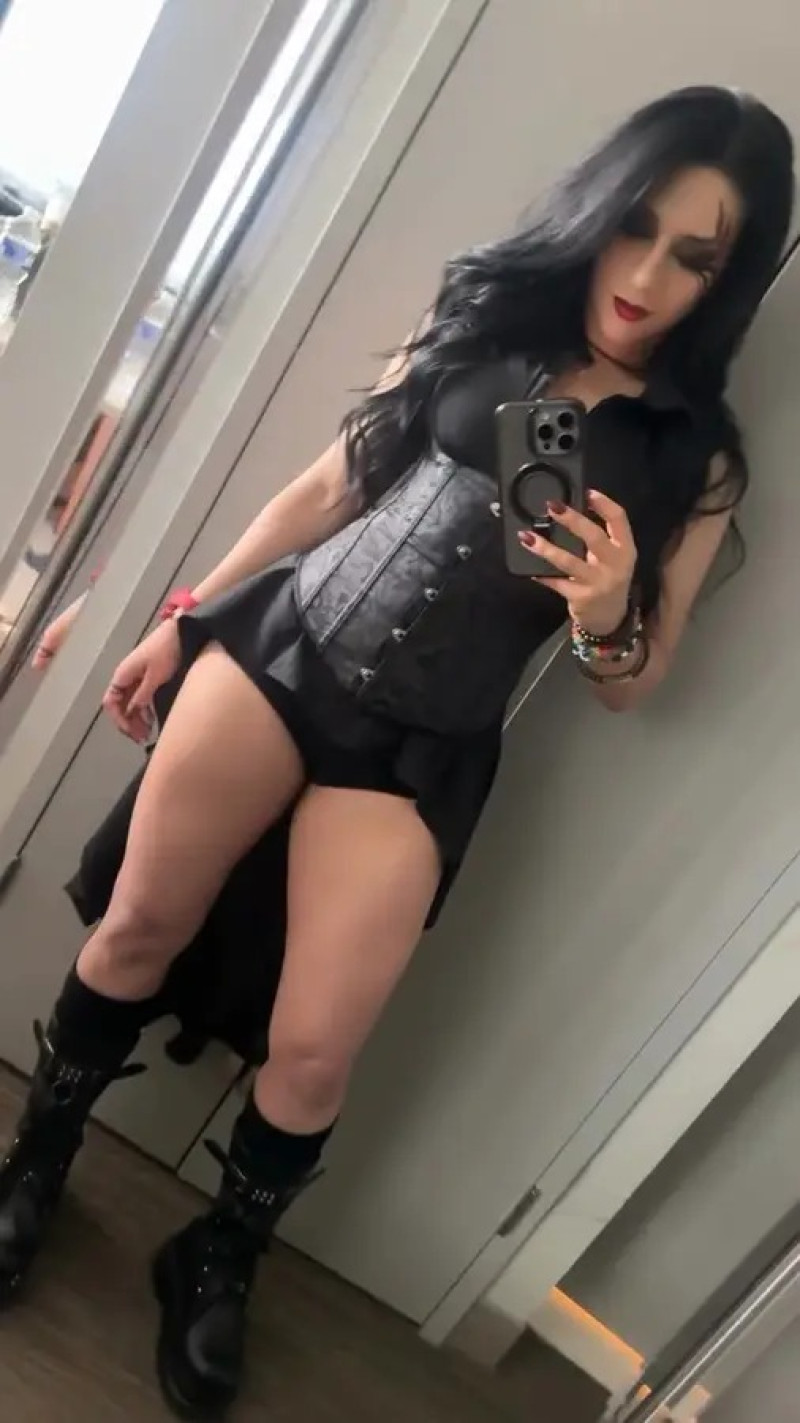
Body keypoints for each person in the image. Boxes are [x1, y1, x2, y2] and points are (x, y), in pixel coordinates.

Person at [2, 85, 794, 1418]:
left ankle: (218, 1254)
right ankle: (36, 1163)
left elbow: (632, 686)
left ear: (730, 280)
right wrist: (182, 622)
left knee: (315, 1052)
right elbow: (332, 487)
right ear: (600, 208)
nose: (648, 275)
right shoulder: (484, 316)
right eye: (636, 226)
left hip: (425, 744)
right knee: (138, 922)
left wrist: (606, 613)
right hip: (284, 654)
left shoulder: (695, 462)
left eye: (695, 257)